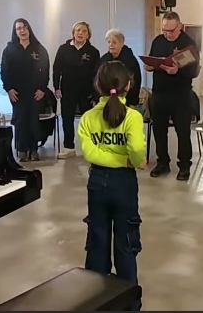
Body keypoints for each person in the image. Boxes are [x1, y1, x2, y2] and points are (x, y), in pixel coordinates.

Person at [77, 61, 146, 311]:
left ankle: (95, 302)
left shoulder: (88, 118)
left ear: (98, 85)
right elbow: (136, 151)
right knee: (126, 244)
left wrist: (108, 157)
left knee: (97, 241)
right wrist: (128, 161)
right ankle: (130, 305)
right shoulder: (133, 117)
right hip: (124, 183)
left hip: (97, 182)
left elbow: (90, 153)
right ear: (128, 85)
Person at [145, 11, 199, 181]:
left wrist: (178, 71)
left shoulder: (188, 43)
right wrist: (149, 66)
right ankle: (162, 162)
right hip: (159, 92)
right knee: (159, 130)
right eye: (164, 30)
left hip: (180, 94)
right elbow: (153, 60)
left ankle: (184, 165)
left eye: (171, 31)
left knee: (182, 131)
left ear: (180, 27)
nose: (167, 34)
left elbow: (194, 71)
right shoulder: (158, 41)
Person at [0, 18, 50, 162]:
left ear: (29, 29)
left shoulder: (39, 48)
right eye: (19, 28)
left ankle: (34, 150)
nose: (22, 30)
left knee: (33, 121)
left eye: (24, 27)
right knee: (21, 121)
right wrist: (9, 89)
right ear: (15, 32)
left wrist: (42, 89)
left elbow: (45, 70)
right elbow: (5, 71)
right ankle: (22, 150)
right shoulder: (9, 50)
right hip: (17, 94)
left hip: (36, 93)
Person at [53, 21, 100, 159]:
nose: (80, 33)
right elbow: (56, 69)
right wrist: (56, 87)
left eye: (84, 31)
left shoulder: (93, 52)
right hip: (67, 90)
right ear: (73, 33)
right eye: (78, 30)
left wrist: (95, 93)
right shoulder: (63, 49)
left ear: (88, 35)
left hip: (86, 92)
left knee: (88, 120)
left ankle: (91, 146)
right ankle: (69, 147)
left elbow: (97, 74)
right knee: (67, 118)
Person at [99, 28, 142, 108]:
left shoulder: (130, 61)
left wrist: (133, 102)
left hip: (127, 101)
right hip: (106, 100)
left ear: (121, 44)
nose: (111, 45)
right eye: (109, 42)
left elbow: (136, 82)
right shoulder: (104, 60)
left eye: (114, 42)